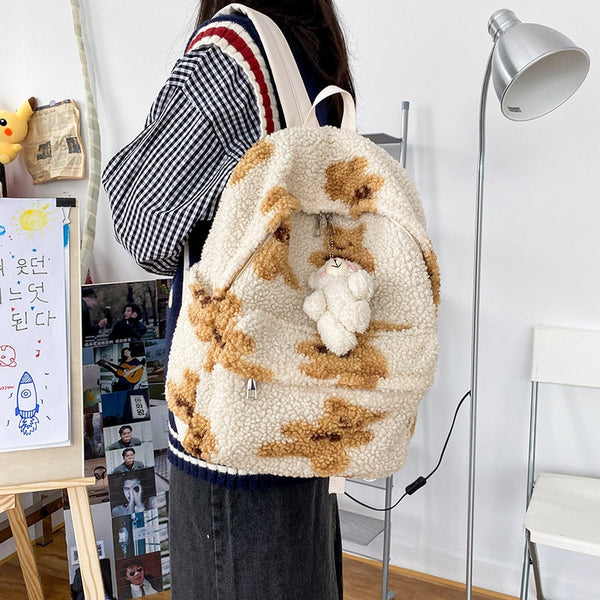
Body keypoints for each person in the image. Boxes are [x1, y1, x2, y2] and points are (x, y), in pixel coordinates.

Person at [103, 2, 354, 598]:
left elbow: (142, 221)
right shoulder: (308, 59)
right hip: (300, 416)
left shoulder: (229, 56)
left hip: (232, 432)